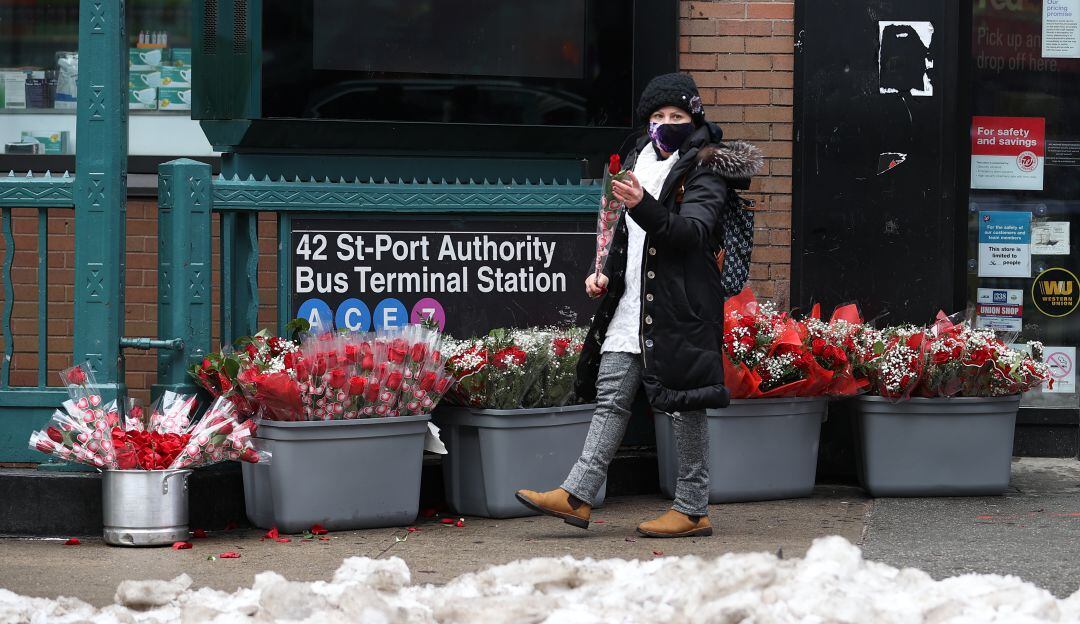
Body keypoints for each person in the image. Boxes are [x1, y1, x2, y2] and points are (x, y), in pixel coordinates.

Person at [515, 73, 763, 538]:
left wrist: (643, 203)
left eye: (677, 116)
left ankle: (692, 509)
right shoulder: (636, 160)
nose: (666, 123)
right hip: (632, 303)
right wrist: (604, 272)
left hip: (682, 306)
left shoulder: (706, 167)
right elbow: (625, 235)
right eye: (658, 115)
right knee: (611, 396)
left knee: (686, 405)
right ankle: (578, 494)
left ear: (694, 119)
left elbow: (692, 233)